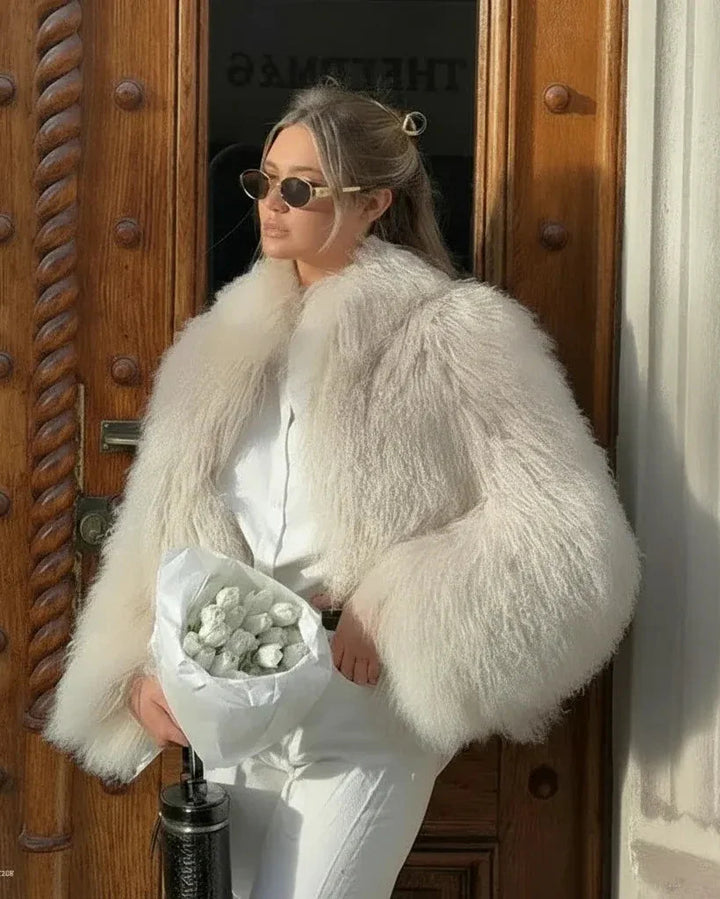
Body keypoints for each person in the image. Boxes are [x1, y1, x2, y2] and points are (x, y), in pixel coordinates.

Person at [42, 81, 641, 898]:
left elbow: (569, 531)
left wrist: (393, 594)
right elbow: (162, 526)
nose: (271, 205)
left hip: (363, 714)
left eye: (299, 188)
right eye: (262, 182)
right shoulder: (217, 345)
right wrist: (144, 669)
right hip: (235, 707)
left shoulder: (457, 334)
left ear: (372, 202)